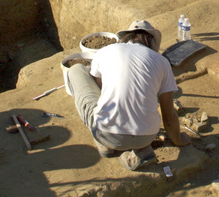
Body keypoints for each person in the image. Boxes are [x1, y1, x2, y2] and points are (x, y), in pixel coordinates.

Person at [63, 20, 187, 169]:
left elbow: (99, 88)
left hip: (107, 133)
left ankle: (105, 145)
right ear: (152, 42)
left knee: (76, 70)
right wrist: (178, 140)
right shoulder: (162, 62)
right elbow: (169, 118)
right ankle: (142, 150)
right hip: (146, 137)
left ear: (127, 37)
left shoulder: (106, 51)